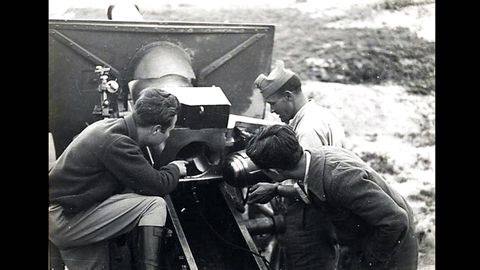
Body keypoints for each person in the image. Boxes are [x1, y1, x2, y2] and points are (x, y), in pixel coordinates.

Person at [49, 87, 188, 270]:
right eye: (169, 130)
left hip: (68, 212)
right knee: (154, 204)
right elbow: (158, 185)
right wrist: (175, 169)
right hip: (65, 219)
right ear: (156, 130)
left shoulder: (109, 127)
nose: (169, 135)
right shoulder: (118, 142)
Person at [246, 125, 419, 270]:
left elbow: (395, 221)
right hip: (371, 237)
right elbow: (313, 189)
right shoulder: (314, 158)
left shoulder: (338, 179)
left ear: (274, 172)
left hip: (392, 244)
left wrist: (368, 263)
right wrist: (277, 189)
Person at [252, 60, 346, 269]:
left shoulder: (307, 130)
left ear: (288, 96)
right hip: (323, 214)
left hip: (309, 219)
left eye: (273, 104)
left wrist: (275, 188)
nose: (272, 110)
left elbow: (309, 184)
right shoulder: (320, 115)